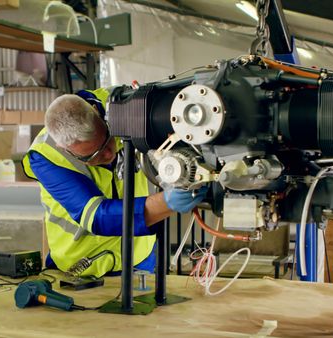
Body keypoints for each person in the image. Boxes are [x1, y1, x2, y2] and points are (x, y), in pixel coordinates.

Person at [22, 88, 206, 277]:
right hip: (85, 268)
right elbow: (96, 216)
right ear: (66, 149)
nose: (109, 154)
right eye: (94, 155)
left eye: (108, 139)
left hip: (140, 256)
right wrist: (167, 202)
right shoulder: (46, 156)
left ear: (96, 111)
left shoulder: (122, 104)